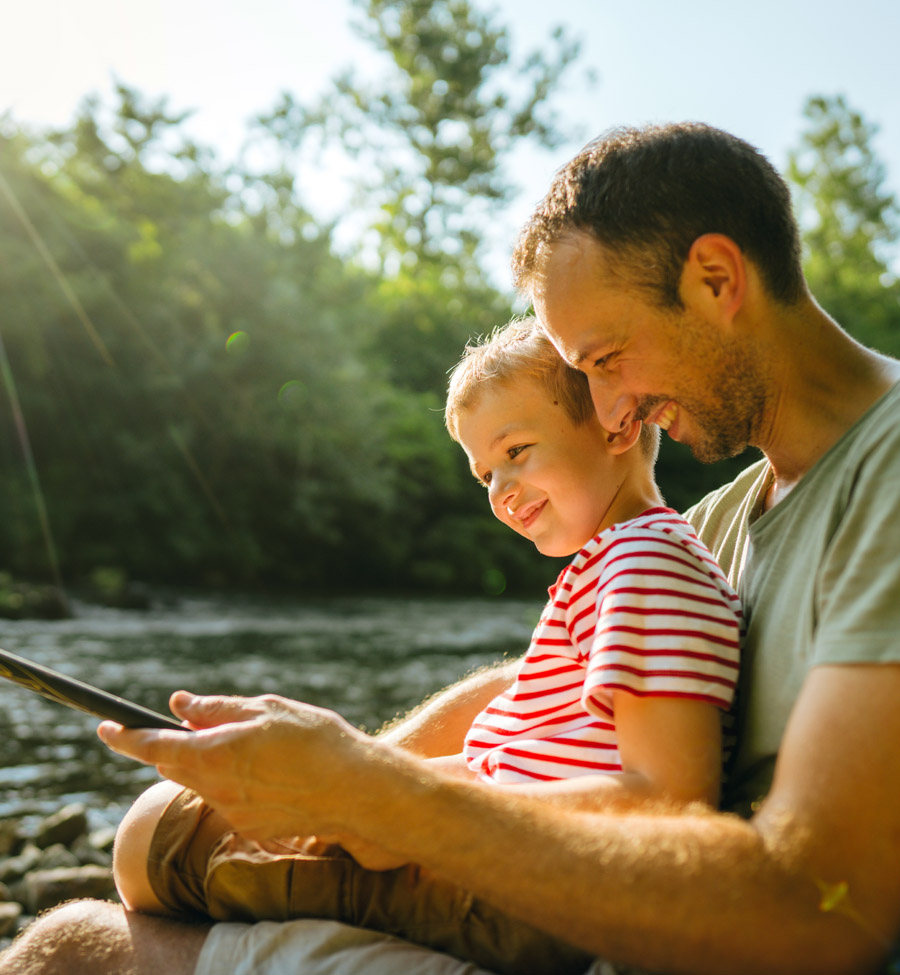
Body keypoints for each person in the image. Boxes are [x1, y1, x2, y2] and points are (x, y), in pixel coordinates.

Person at [3, 120, 900, 975]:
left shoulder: (885, 475)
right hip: (588, 917)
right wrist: (335, 773)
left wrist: (372, 800)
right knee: (112, 899)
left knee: (74, 947)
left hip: (615, 934)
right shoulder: (717, 523)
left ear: (714, 276)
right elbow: (542, 688)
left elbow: (821, 915)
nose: (608, 407)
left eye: (606, 356)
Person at [103, 317, 740, 975]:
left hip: (523, 895)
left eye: (516, 450)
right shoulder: (616, 563)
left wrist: (389, 804)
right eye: (484, 473)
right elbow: (538, 761)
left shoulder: (647, 565)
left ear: (618, 426)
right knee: (167, 827)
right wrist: (373, 783)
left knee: (155, 839)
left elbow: (671, 802)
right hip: (501, 862)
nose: (500, 492)